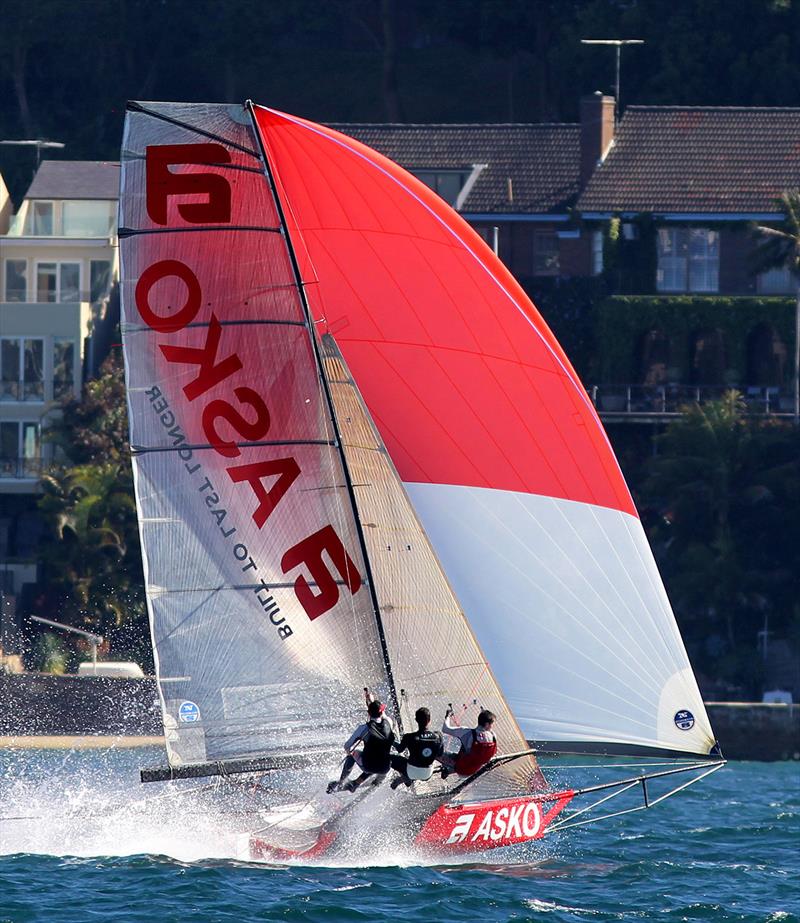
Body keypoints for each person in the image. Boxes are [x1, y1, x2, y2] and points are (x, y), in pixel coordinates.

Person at [326, 699, 395, 793]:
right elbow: (383, 715)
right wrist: (372, 702)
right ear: (382, 711)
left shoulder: (363, 729)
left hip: (369, 766)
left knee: (352, 754)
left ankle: (341, 782)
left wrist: (349, 751)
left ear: (369, 714)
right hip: (385, 767)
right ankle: (357, 783)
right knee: (377, 758)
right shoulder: (389, 723)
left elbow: (347, 746)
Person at [389, 706, 443, 789]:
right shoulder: (438, 736)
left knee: (390, 758)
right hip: (427, 774)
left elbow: (399, 749)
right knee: (414, 762)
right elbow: (440, 754)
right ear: (429, 720)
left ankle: (406, 778)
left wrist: (391, 741)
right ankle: (406, 778)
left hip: (410, 771)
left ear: (416, 720)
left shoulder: (409, 737)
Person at [438, 708, 497, 779]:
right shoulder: (493, 736)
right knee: (468, 756)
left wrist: (447, 716)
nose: (492, 726)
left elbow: (445, 729)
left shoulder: (466, 732)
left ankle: (429, 770)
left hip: (461, 768)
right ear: (487, 724)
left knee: (435, 751)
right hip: (475, 769)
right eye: (492, 724)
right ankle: (448, 770)